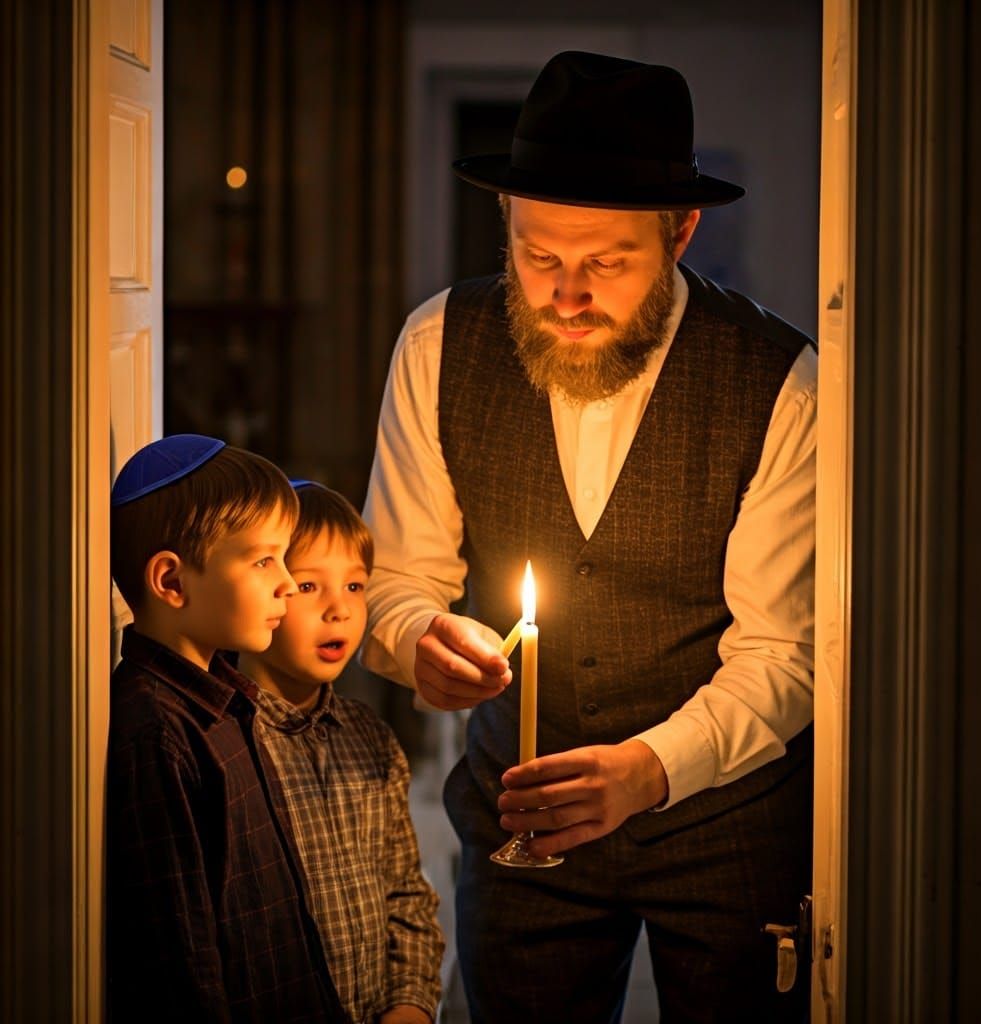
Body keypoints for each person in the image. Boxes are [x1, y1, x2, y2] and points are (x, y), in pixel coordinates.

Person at [362, 50, 816, 1023]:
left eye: (606, 262)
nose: (564, 293)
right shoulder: (439, 345)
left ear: (682, 232)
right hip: (517, 815)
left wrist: (652, 767)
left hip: (726, 824)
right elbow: (396, 577)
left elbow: (784, 650)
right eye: (537, 255)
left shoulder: (779, 378)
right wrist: (414, 643)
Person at [106, 434, 345, 1022]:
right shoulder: (156, 731)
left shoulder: (226, 701)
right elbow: (181, 964)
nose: (288, 583)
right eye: (265, 560)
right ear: (171, 582)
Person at [236, 480, 443, 1024]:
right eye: (308, 586)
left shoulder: (371, 742)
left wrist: (411, 1005)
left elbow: (407, 899)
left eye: (355, 586)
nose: (339, 610)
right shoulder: (229, 745)